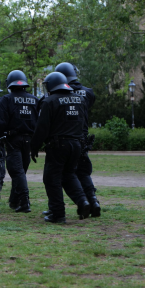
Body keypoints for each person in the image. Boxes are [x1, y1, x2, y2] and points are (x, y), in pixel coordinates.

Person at [30, 72, 91, 223]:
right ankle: (83, 202)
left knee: (51, 178)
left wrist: (34, 147)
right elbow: (84, 123)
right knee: (69, 175)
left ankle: (57, 213)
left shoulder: (49, 101)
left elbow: (41, 128)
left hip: (58, 145)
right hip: (76, 144)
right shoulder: (80, 100)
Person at [55, 62, 100, 217]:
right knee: (83, 172)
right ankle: (93, 202)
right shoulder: (88, 93)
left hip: (66, 139)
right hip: (83, 139)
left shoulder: (61, 93)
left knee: (62, 174)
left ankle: (78, 203)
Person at [0, 70, 39, 212]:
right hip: (29, 140)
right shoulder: (35, 99)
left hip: (13, 140)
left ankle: (25, 202)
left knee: (16, 171)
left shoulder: (6, 99)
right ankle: (14, 201)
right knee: (21, 171)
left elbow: (1, 122)